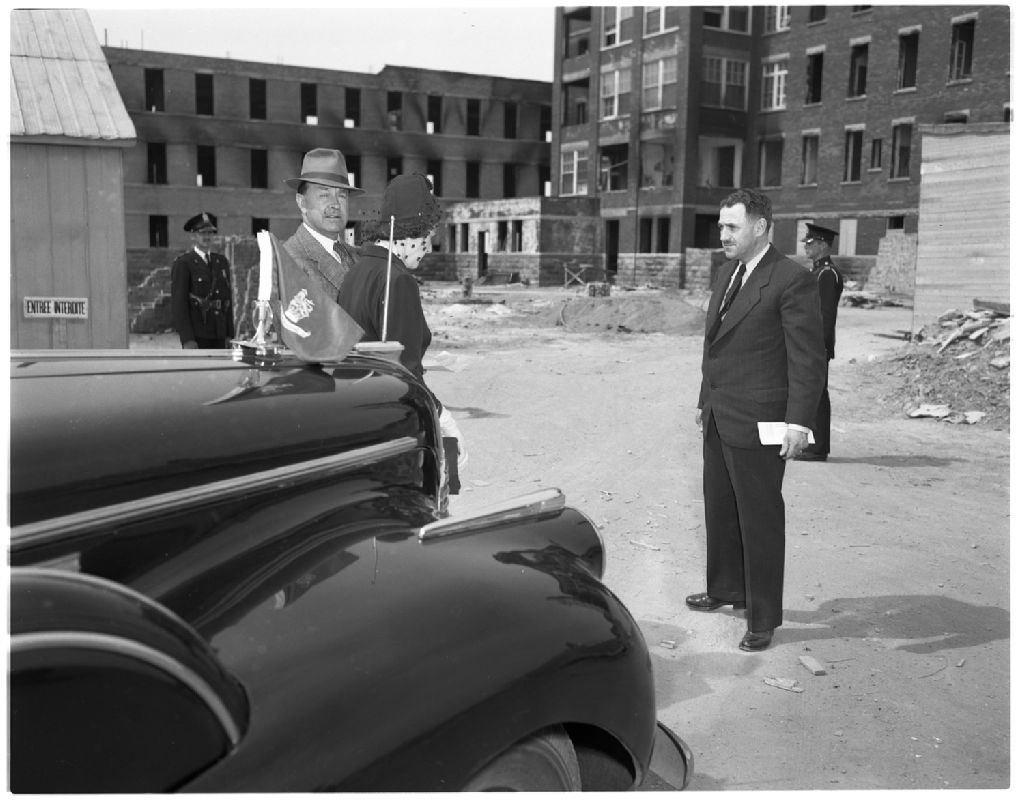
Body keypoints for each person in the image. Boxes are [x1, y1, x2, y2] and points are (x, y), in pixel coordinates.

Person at [688, 189, 826, 652]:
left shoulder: (791, 279)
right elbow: (715, 346)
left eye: (732, 226)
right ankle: (726, 587)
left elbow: (808, 359)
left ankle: (763, 616)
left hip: (761, 420)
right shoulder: (728, 272)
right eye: (721, 226)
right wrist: (705, 400)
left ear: (761, 227)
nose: (722, 234)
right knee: (720, 507)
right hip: (720, 413)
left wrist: (799, 423)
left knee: (759, 518)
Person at [337, 172, 466, 489]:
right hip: (391, 423)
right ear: (406, 235)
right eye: (426, 238)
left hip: (356, 412)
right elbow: (404, 374)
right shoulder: (398, 281)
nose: (428, 248)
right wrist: (442, 418)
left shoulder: (358, 271)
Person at [282, 148, 364, 299]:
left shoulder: (358, 257)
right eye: (324, 195)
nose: (335, 204)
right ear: (301, 202)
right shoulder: (288, 260)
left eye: (342, 196)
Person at [796, 223, 844, 461]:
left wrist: (818, 347)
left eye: (811, 243)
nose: (806, 247)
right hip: (808, 343)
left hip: (816, 346)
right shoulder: (816, 271)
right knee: (810, 393)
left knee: (817, 394)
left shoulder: (827, 274)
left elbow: (825, 316)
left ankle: (818, 448)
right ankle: (811, 444)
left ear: (823, 245)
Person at [170, 212, 234, 348]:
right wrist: (187, 339)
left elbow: (227, 300)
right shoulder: (184, 263)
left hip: (220, 333)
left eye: (210, 233)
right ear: (193, 236)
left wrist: (230, 334)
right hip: (198, 335)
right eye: (202, 233)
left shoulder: (221, 262)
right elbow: (179, 304)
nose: (207, 237)